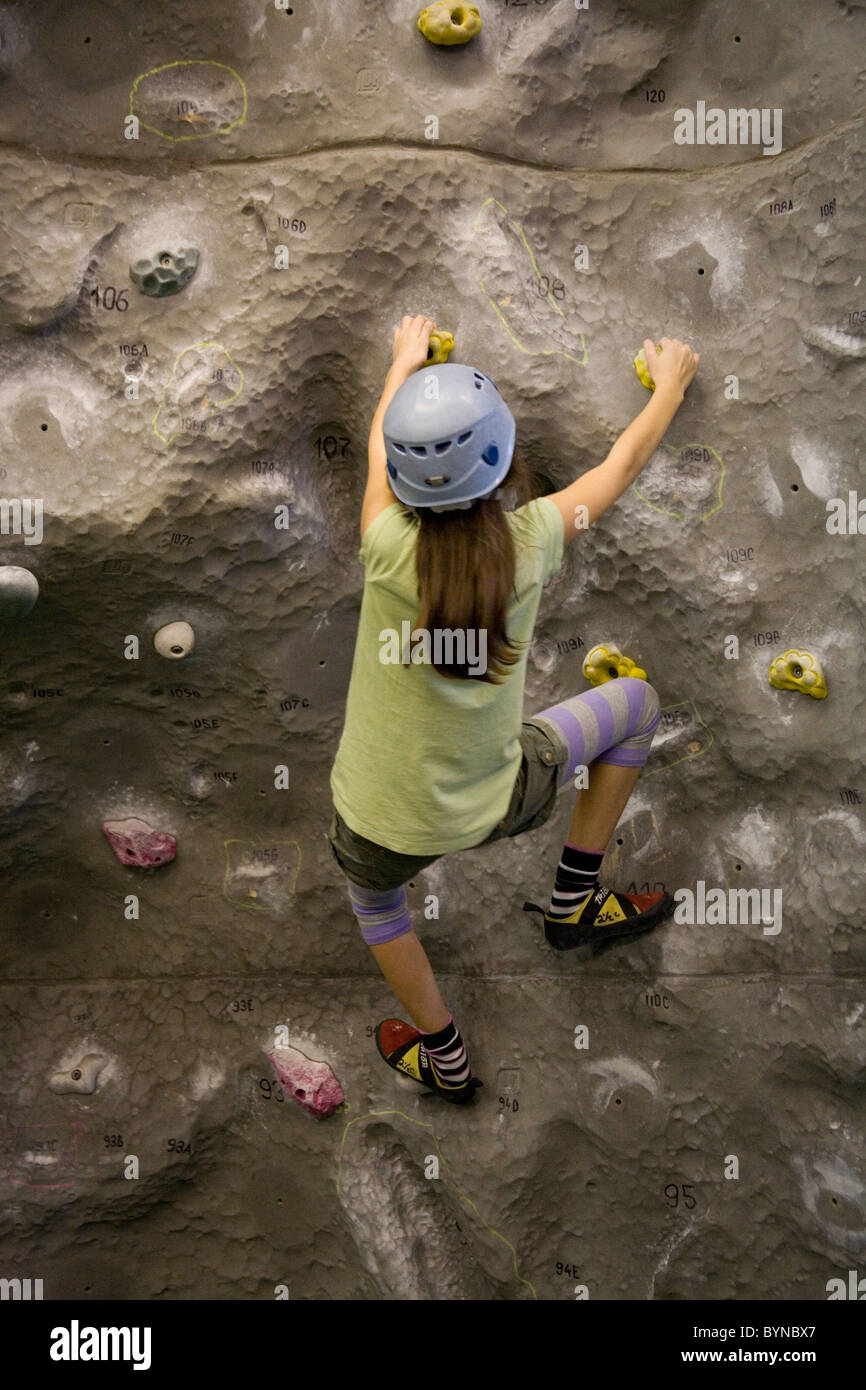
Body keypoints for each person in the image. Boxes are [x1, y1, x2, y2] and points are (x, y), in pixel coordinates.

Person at [327, 315, 701, 1105]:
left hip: (374, 819)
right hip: (499, 802)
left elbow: (374, 451)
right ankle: (575, 900)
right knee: (636, 706)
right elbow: (620, 464)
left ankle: (446, 1058)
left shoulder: (384, 544)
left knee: (378, 905)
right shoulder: (534, 537)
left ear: (404, 484)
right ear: (501, 465)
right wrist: (668, 383)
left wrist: (401, 358)